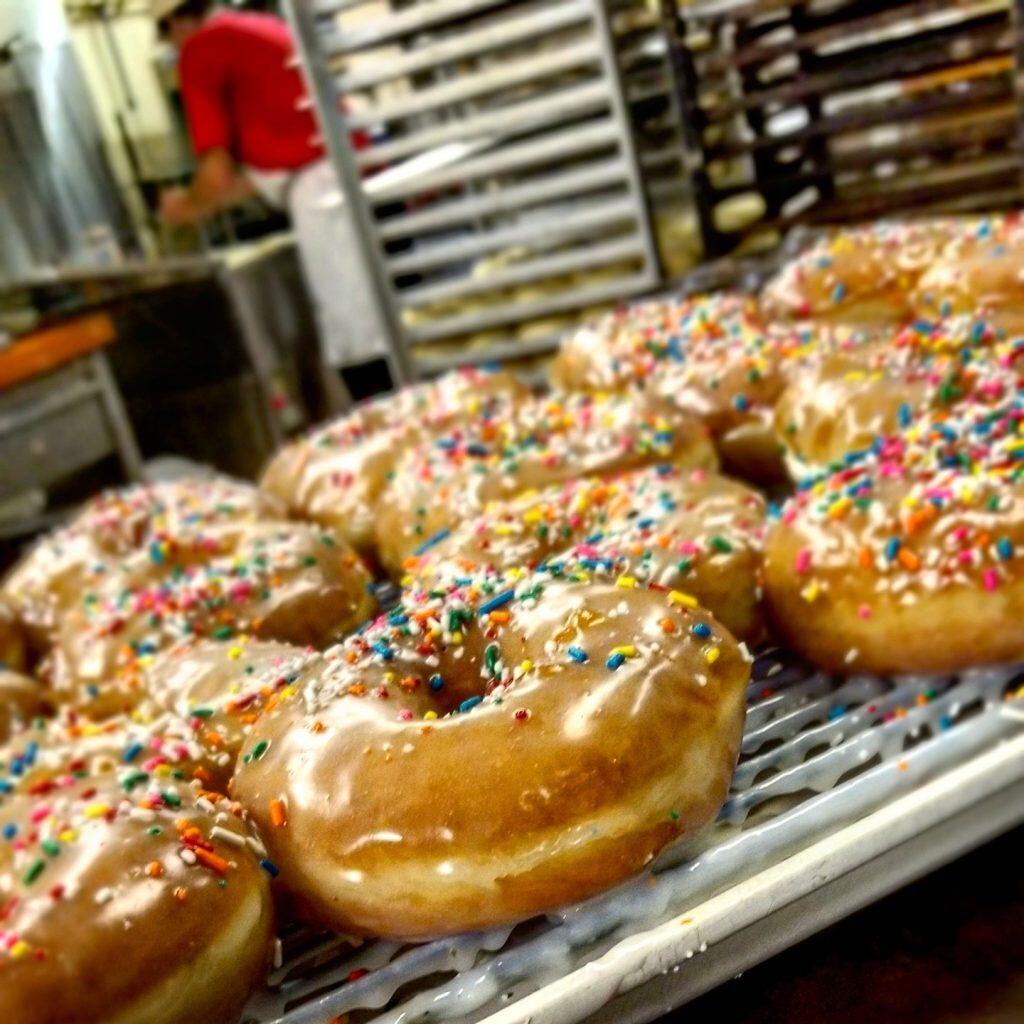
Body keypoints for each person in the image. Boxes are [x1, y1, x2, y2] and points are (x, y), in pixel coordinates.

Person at [153, 0, 394, 402]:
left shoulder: (201, 48)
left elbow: (216, 174)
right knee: (388, 327)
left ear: (178, 20)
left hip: (325, 195)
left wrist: (183, 207)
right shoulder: (257, 26)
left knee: (361, 342)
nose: (170, 47)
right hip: (357, 176)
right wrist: (203, 202)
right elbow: (267, 169)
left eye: (164, 34)